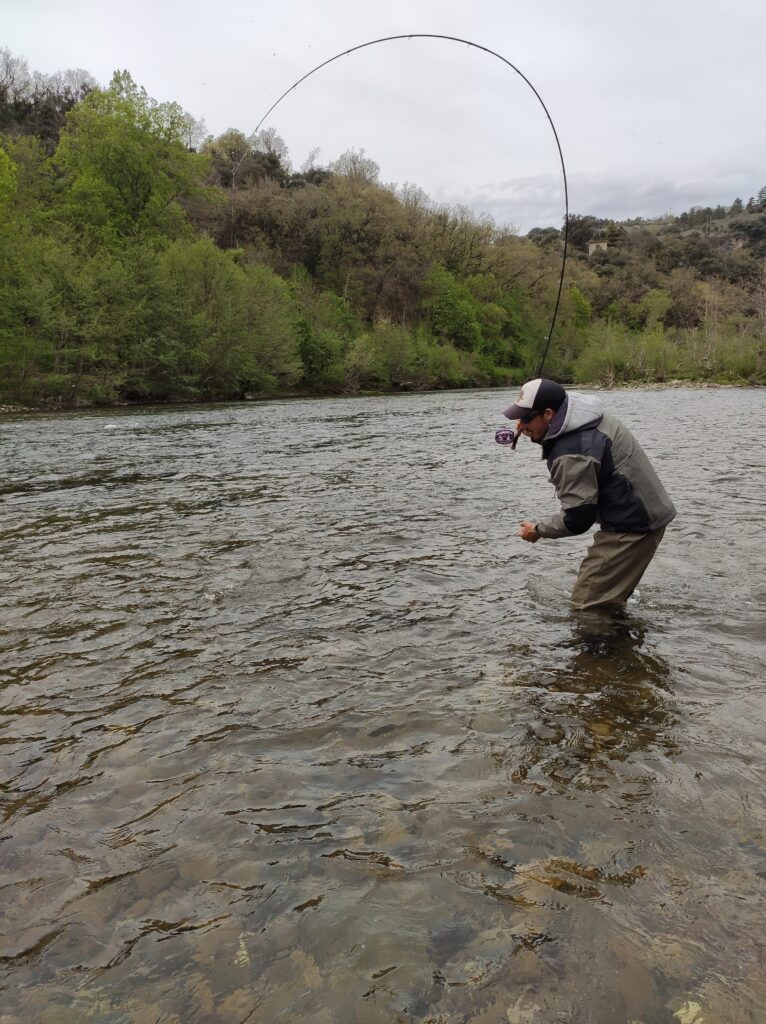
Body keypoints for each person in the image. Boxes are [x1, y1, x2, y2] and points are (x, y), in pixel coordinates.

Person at [503, 378, 676, 611]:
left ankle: (603, 646)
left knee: (586, 607)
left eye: (526, 418)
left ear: (548, 414)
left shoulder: (573, 450)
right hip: (646, 512)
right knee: (604, 602)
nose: (520, 426)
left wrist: (538, 530)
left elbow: (578, 518)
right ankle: (622, 640)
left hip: (632, 525)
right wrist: (534, 430)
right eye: (519, 418)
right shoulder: (583, 415)